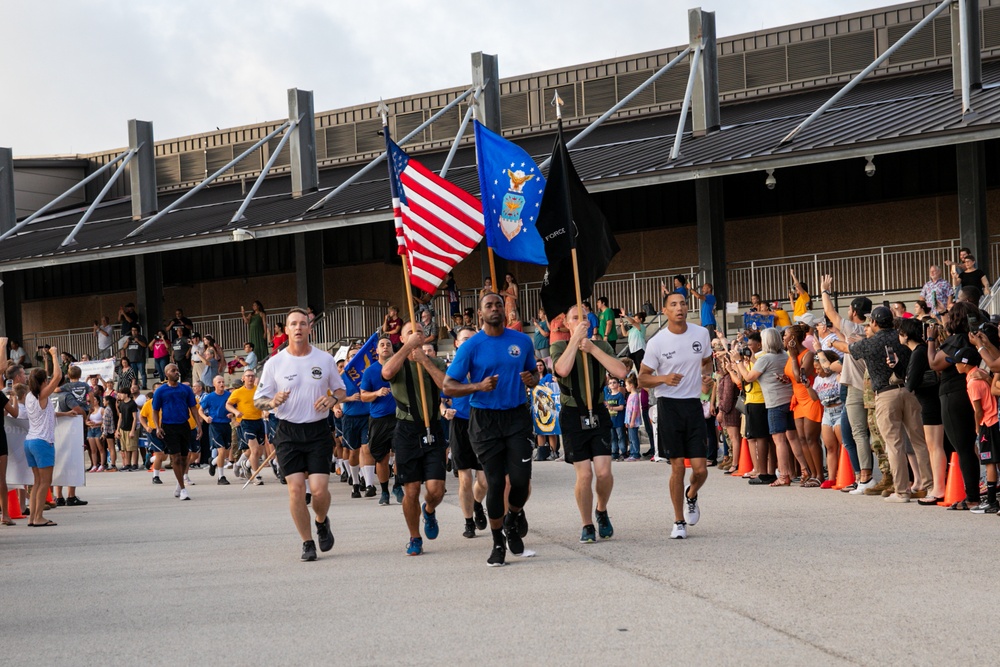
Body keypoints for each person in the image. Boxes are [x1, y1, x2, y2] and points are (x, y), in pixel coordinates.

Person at [443, 292, 538, 567]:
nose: (494, 308)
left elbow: (534, 375)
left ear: (504, 310)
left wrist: (532, 379)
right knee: (495, 483)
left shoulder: (521, 340)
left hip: (517, 417)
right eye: (489, 305)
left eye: (498, 304)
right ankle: (498, 542)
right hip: (484, 421)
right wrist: (477, 386)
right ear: (480, 313)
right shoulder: (471, 346)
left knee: (520, 482)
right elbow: (449, 385)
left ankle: (513, 517)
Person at [253, 308, 345, 561]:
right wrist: (272, 402)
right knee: (295, 490)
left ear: (309, 328)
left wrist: (332, 399)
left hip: (317, 431)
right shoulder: (275, 363)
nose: (298, 328)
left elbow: (341, 390)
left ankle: (321, 520)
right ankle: (307, 543)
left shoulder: (324, 359)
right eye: (293, 324)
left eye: (302, 323)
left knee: (318, 490)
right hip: (287, 432)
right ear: (286, 330)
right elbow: (257, 401)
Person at [638, 292, 713, 539]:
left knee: (701, 470)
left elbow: (707, 361)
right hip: (668, 406)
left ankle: (691, 495)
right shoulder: (657, 342)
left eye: (682, 303)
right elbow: (642, 377)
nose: (679, 307)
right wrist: (663, 378)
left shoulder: (701, 334)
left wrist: (705, 379)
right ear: (665, 310)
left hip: (692, 406)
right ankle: (678, 521)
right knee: (678, 467)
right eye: (673, 304)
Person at [551, 304, 626, 543]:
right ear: (567, 323)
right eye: (575, 318)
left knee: (604, 473)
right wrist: (575, 342)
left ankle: (601, 509)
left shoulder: (601, 345)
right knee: (584, 475)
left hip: (599, 412)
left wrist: (592, 348)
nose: (581, 321)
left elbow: (621, 371)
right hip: (573, 414)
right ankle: (586, 524)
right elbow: (562, 369)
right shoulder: (559, 346)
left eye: (584, 317)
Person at [380, 323, 450, 556]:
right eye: (410, 332)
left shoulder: (435, 361)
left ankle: (429, 510)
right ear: (401, 337)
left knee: (436, 489)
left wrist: (425, 360)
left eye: (419, 332)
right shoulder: (397, 361)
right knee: (410, 490)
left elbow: (446, 387)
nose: (415, 335)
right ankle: (414, 536)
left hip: (433, 429)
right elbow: (387, 373)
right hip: (407, 430)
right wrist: (405, 349)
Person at [849, 306, 931, 502]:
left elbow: (850, 349)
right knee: (919, 441)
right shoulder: (903, 336)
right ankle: (930, 486)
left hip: (885, 394)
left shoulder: (869, 343)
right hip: (910, 390)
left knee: (894, 444)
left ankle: (902, 490)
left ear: (875, 323)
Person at [820, 276, 876, 494]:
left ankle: (865, 477)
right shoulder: (869, 330)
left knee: (858, 433)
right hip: (868, 385)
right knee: (861, 433)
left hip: (855, 386)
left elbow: (831, 314)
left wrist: (824, 291)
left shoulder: (855, 329)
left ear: (854, 310)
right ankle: (863, 476)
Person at [732, 328, 804, 488]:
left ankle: (784, 475)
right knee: (792, 438)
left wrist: (737, 362)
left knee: (779, 440)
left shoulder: (766, 358)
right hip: (789, 400)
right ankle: (804, 471)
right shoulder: (784, 355)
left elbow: (748, 378)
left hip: (774, 402)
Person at [928, 303, 983, 509]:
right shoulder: (971, 336)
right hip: (966, 391)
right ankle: (973, 494)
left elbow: (935, 363)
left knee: (963, 448)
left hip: (953, 394)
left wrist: (932, 339)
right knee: (968, 446)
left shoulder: (957, 339)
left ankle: (972, 497)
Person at [898, 318, 946, 504]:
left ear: (906, 334)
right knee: (934, 446)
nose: (898, 335)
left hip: (929, 402)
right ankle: (938, 486)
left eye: (900, 332)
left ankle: (937, 488)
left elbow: (910, 383)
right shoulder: (921, 350)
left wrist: (906, 373)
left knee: (934, 446)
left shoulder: (919, 352)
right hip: (930, 400)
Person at [953, 347, 999, 513]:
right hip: (994, 421)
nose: (955, 366)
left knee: (989, 462)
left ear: (964, 364)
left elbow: (978, 410)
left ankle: (992, 500)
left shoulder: (973, 382)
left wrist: (977, 428)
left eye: (957, 362)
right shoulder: (978, 372)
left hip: (988, 423)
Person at [359, 336, 402, 506]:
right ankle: (384, 491)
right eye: (382, 345)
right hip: (379, 420)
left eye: (388, 344)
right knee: (382, 458)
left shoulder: (400, 367)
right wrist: (376, 393)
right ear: (376, 350)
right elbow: (363, 396)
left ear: (393, 348)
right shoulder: (370, 371)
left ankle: (398, 486)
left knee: (401, 455)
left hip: (400, 417)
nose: (385, 347)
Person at [24, 346, 62, 526]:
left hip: (30, 441)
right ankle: (38, 517)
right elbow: (58, 377)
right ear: (43, 382)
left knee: (37, 482)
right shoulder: (41, 395)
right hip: (42, 441)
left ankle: (33, 517)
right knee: (45, 482)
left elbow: (48, 377)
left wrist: (47, 359)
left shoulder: (30, 396)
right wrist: (54, 355)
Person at [151, 364, 202, 501]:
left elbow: (193, 408)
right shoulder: (161, 391)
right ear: (166, 373)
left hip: (184, 425)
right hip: (168, 426)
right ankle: (183, 489)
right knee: (176, 457)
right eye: (173, 370)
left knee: (185, 457)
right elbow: (155, 411)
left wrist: (199, 425)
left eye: (177, 370)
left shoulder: (185, 389)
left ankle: (179, 484)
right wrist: (157, 427)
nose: (176, 372)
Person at [340, 347, 374, 498]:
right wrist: (349, 398)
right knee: (353, 452)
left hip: (367, 416)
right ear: (348, 360)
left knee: (366, 448)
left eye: (358, 355)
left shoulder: (367, 373)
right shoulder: (343, 376)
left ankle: (369, 484)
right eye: (352, 356)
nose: (355, 358)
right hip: (350, 417)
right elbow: (335, 397)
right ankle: (355, 482)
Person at [227, 369, 266, 486]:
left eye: (252, 376)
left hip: (259, 421)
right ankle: (256, 475)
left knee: (258, 452)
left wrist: (265, 411)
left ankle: (243, 464)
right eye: (248, 376)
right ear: (243, 378)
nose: (250, 378)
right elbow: (228, 404)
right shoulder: (238, 392)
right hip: (246, 422)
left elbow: (263, 402)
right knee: (254, 450)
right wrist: (235, 412)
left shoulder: (258, 391)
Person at [0, 337, 21, 525]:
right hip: (0, 439)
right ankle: (5, 515)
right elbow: (14, 413)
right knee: (1, 479)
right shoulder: (0, 395)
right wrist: (13, 397)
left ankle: (6, 514)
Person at [200, 375, 233, 485]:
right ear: (214, 384)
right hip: (215, 425)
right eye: (219, 382)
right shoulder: (209, 397)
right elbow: (200, 410)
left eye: (223, 382)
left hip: (227, 425)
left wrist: (232, 414)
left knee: (226, 453)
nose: (222, 384)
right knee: (222, 451)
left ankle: (213, 462)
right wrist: (205, 418)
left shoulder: (229, 395)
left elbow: (235, 408)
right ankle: (221, 477)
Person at [603, 377, 626, 461]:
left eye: (614, 382)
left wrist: (611, 408)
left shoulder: (619, 395)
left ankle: (623, 452)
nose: (612, 384)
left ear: (618, 384)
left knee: (621, 436)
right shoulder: (608, 396)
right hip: (610, 420)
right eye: (610, 383)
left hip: (618, 420)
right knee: (613, 437)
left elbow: (621, 407)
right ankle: (614, 452)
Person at [117, 390, 139, 471]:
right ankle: (127, 463)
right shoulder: (121, 404)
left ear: (126, 394)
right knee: (125, 448)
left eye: (122, 393)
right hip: (123, 428)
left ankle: (135, 464)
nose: (120, 395)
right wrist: (117, 430)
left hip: (131, 428)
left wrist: (133, 430)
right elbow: (120, 417)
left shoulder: (132, 403)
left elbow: (135, 418)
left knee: (133, 447)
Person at [123, 325, 148, 389]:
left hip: (140, 359)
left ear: (138, 331)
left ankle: (144, 386)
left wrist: (138, 341)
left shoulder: (142, 337)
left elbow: (145, 345)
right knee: (134, 375)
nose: (133, 332)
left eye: (135, 330)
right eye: (132, 330)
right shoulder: (129, 338)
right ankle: (136, 387)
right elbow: (124, 347)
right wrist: (127, 342)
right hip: (131, 360)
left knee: (142, 373)